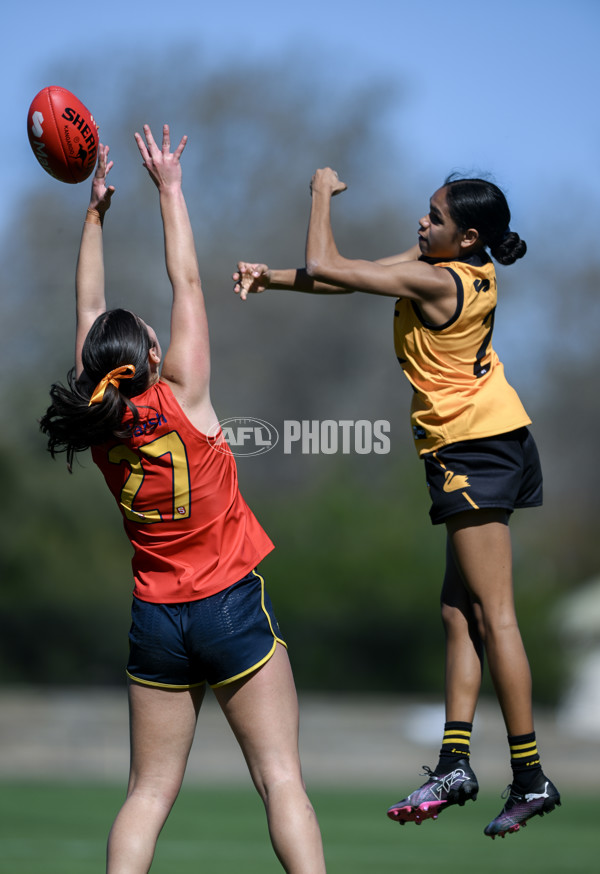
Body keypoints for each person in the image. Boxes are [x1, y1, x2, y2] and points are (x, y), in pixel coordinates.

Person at [233, 169, 560, 839]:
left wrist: (319, 191)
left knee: (495, 618)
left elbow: (330, 261)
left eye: (434, 218)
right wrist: (272, 277)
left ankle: (531, 777)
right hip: (471, 446)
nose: (422, 223)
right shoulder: (443, 263)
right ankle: (455, 763)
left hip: (477, 451)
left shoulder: (439, 280)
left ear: (467, 236)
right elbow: (337, 276)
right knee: (458, 613)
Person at [40, 125, 327, 874]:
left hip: (156, 620)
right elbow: (189, 285)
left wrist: (95, 214)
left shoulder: (99, 422)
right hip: (229, 605)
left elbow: (87, 311)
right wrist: (170, 188)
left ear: (98, 369)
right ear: (154, 359)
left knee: (146, 795)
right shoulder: (187, 398)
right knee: (281, 780)